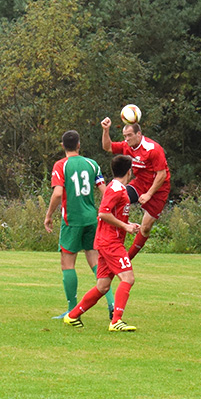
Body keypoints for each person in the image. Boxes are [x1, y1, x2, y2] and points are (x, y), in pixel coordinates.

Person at [64, 155, 141, 332]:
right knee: (128, 278)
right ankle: (116, 321)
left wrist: (127, 225)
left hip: (106, 241)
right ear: (129, 171)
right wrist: (125, 226)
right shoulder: (115, 189)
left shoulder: (117, 188)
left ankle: (72, 315)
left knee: (103, 285)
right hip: (110, 242)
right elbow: (103, 213)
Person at [44, 130, 115, 320]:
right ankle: (112, 303)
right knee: (96, 263)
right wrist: (110, 212)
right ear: (78, 145)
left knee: (67, 263)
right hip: (92, 219)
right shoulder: (92, 164)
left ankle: (72, 310)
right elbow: (105, 190)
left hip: (72, 220)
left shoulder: (61, 165)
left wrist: (48, 215)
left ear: (62, 146)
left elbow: (58, 193)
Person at [101, 116, 170, 259]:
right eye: (125, 136)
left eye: (129, 135)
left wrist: (149, 194)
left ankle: (127, 259)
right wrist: (106, 130)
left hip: (158, 190)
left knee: (145, 228)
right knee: (119, 201)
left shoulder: (153, 149)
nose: (126, 139)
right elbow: (107, 147)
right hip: (139, 184)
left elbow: (161, 175)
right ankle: (112, 244)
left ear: (139, 134)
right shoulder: (127, 146)